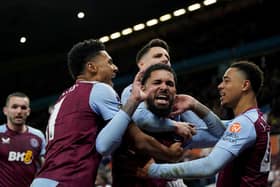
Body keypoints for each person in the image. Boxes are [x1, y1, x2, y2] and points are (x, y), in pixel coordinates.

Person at [31, 39, 184, 187]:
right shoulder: (99, 89)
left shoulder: (63, 97)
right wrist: (169, 153)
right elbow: (128, 140)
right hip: (67, 182)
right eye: (109, 62)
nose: (115, 68)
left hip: (42, 180)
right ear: (92, 67)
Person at [140, 61, 271, 187]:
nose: (220, 86)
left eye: (226, 81)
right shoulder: (253, 120)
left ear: (244, 85)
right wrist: (194, 105)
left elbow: (209, 166)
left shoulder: (244, 124)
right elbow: (219, 131)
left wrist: (154, 170)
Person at [0, 92, 46, 187]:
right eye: (14, 107)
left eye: (23, 108)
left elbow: (45, 168)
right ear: (5, 110)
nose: (19, 111)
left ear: (28, 111)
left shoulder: (38, 136)